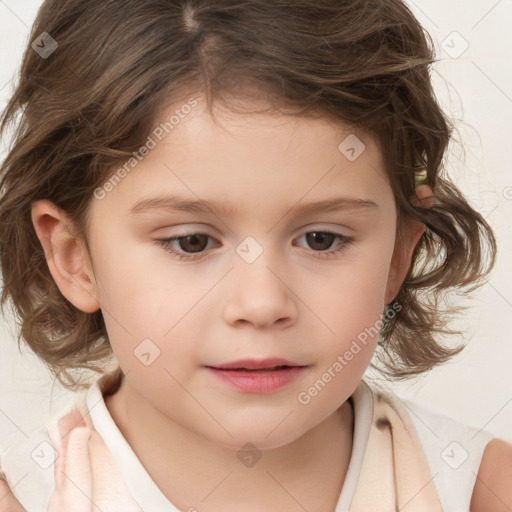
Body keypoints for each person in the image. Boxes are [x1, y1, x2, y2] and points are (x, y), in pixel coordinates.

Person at [0, 0, 510, 510]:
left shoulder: (481, 491)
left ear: (398, 254)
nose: (263, 303)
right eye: (192, 242)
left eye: (321, 239)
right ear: (74, 258)